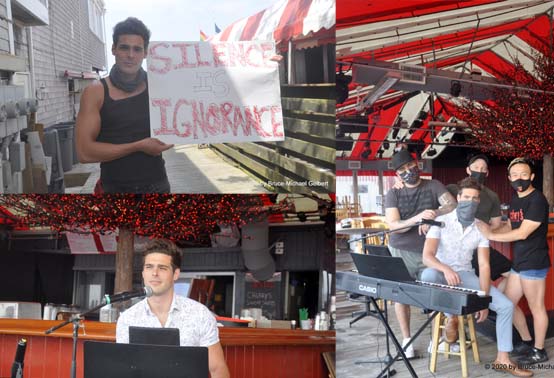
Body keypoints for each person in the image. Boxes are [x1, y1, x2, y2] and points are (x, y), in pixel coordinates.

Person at [421, 177, 532, 377]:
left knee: (505, 306)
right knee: (427, 274)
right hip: (440, 272)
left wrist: (483, 299)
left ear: (478, 201)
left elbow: (484, 264)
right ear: (458, 197)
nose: (470, 202)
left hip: (465, 275)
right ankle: (451, 315)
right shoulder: (441, 222)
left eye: (474, 198)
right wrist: (445, 269)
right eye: (466, 197)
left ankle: (503, 359)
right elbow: (427, 257)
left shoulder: (480, 227)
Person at [76, 17, 173, 193]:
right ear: (113, 49)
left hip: (157, 186)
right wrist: (138, 146)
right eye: (124, 47)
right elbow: (84, 152)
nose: (130, 55)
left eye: (137, 49)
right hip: (114, 189)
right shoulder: (96, 92)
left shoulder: (159, 88)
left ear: (145, 53)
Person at [116, 239, 230, 378]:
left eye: (162, 268)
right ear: (143, 273)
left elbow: (217, 369)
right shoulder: (127, 319)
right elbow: (124, 370)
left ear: (175, 274)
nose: (154, 273)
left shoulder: (200, 314)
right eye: (149, 267)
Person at [477, 157, 550, 365]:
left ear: (532, 177)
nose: (520, 178)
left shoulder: (537, 200)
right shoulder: (516, 198)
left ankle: (539, 350)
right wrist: (488, 230)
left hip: (534, 262)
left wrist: (490, 236)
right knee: (507, 303)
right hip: (519, 262)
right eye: (515, 175)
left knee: (537, 308)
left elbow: (523, 233)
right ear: (509, 178)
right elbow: (510, 226)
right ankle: (526, 342)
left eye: (524, 174)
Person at [384, 148, 457, 358]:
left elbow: (452, 204)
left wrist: (432, 214)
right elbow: (394, 225)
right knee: (401, 294)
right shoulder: (394, 193)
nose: (408, 171)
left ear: (417, 164)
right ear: (397, 175)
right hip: (400, 249)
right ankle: (407, 340)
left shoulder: (433, 185)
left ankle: (436, 338)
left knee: (434, 291)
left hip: (429, 251)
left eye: (410, 166)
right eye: (402, 170)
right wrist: (418, 218)